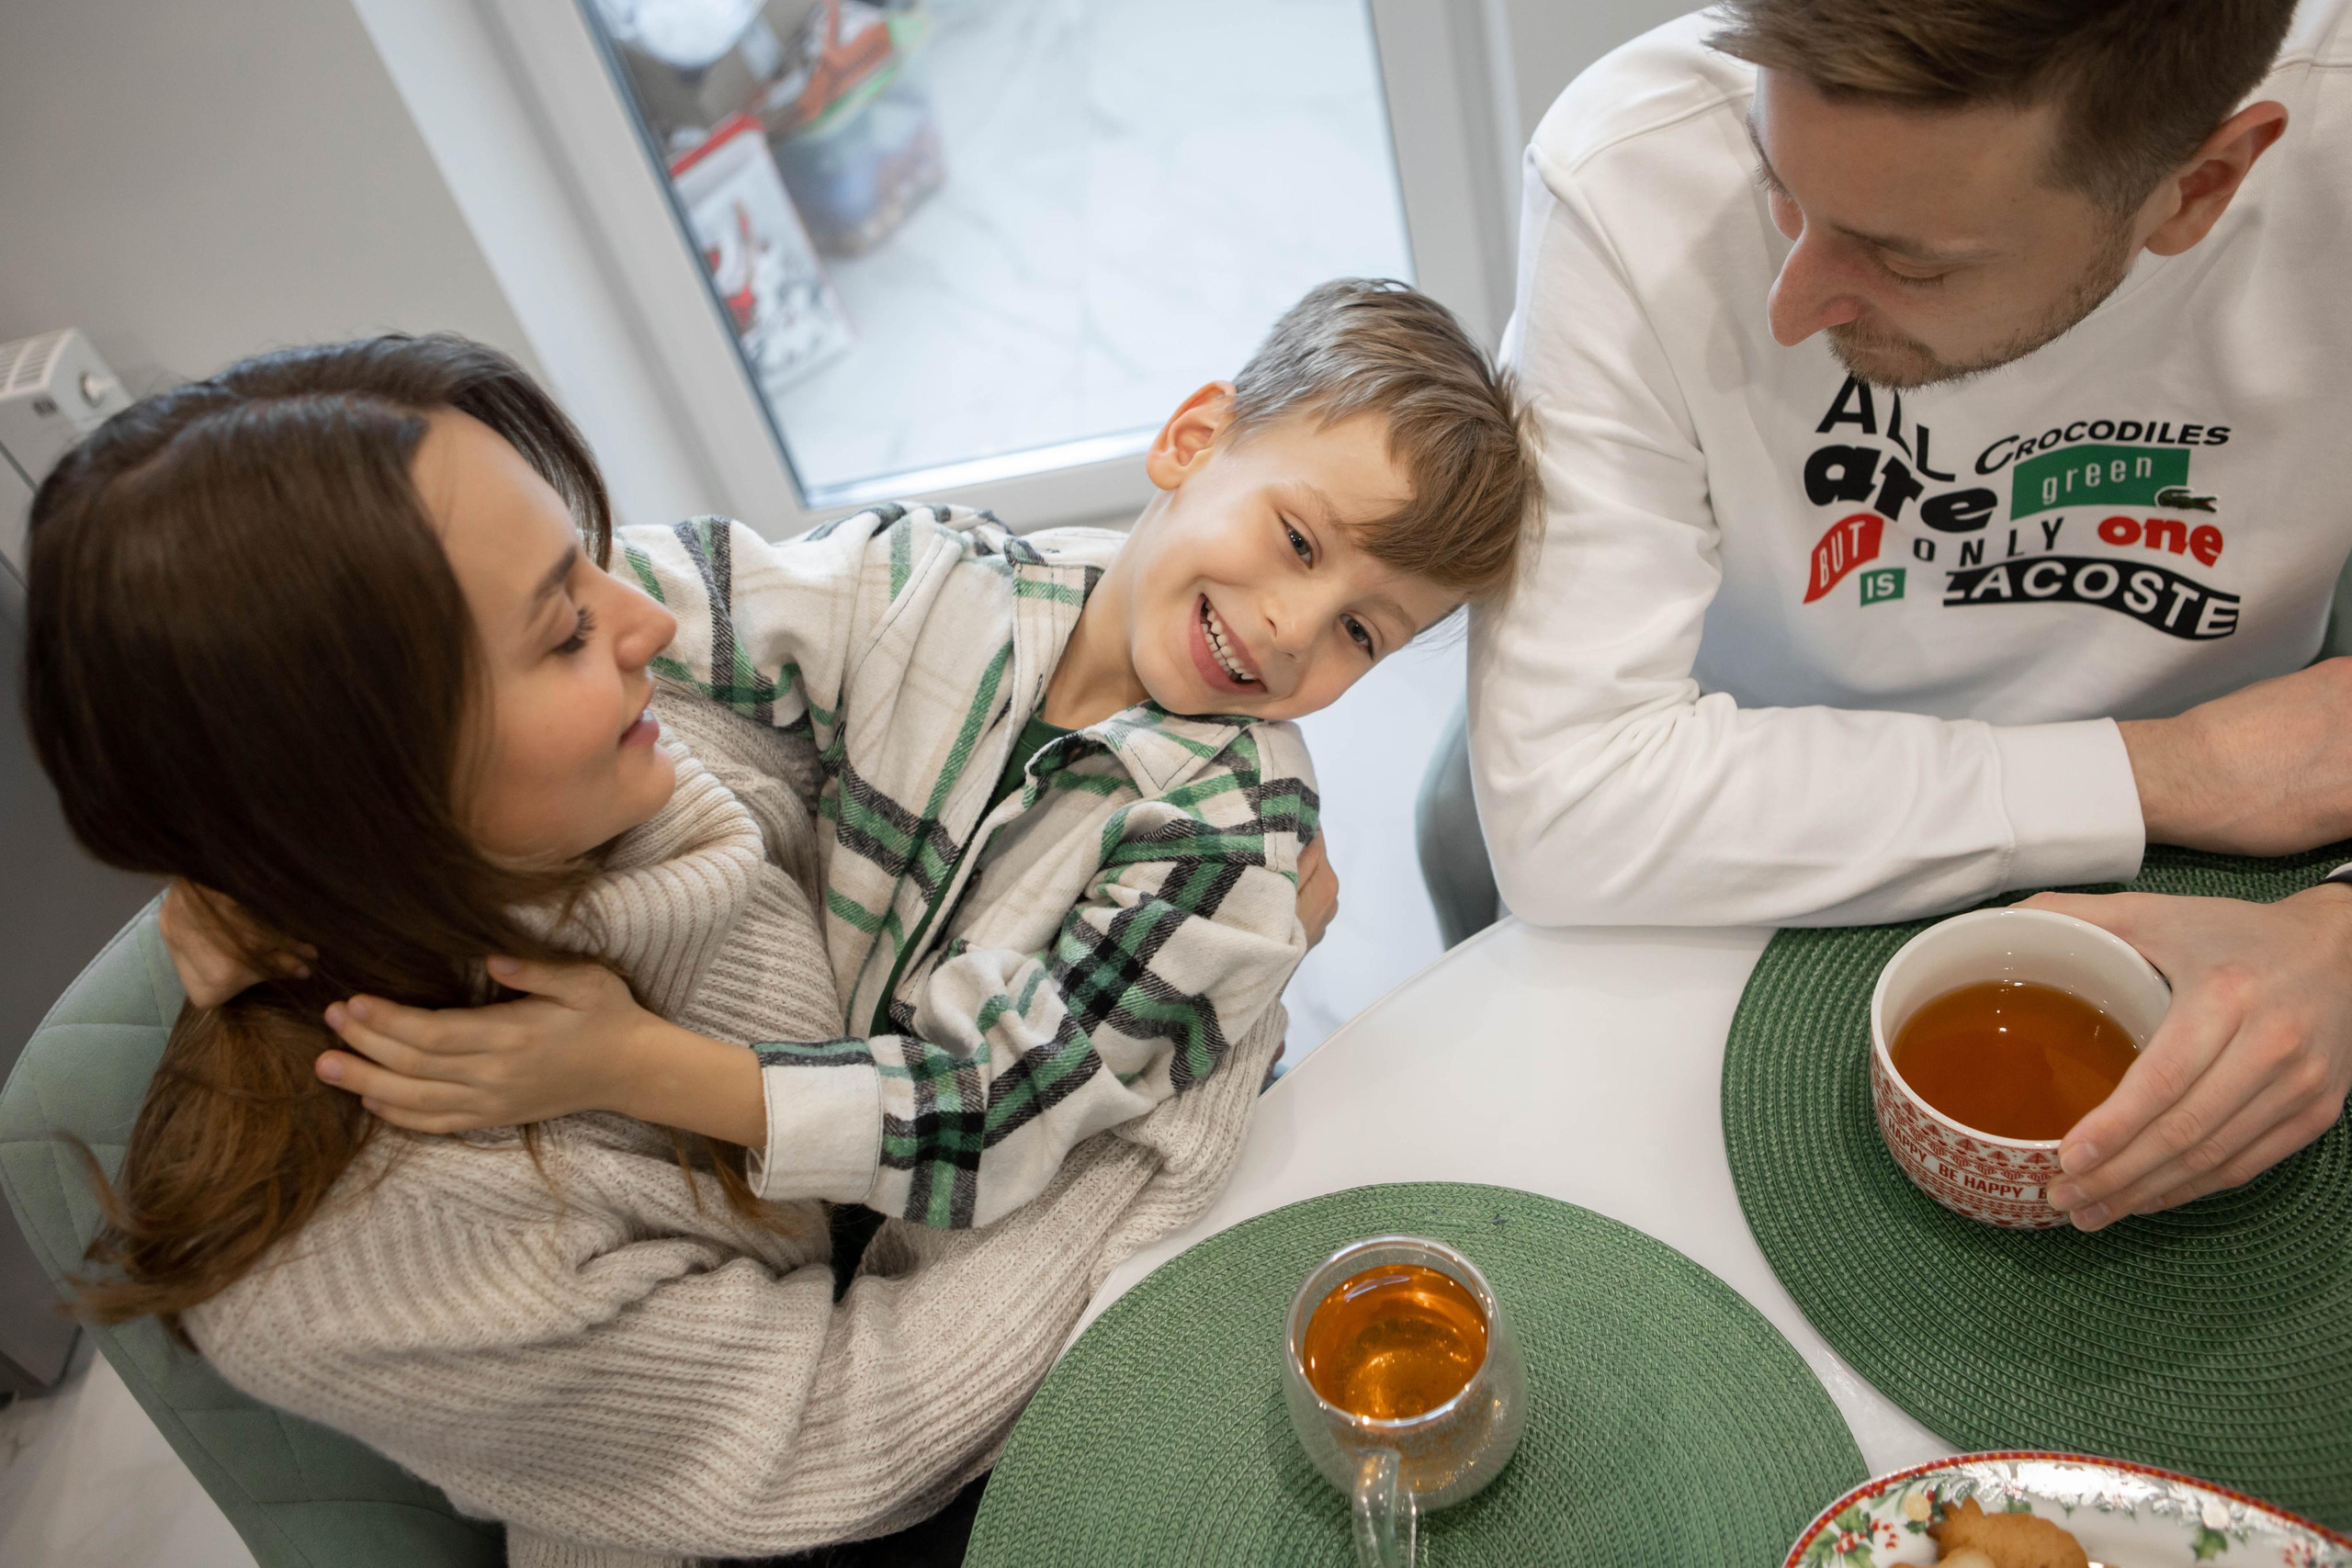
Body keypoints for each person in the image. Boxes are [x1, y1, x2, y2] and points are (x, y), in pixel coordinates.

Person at [191, 277, 1534, 1235]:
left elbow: (993, 1118)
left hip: (1025, 1234)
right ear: (1192, 440)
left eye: (1366, 629)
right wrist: (261, 835)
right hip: (806, 1159)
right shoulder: (928, 578)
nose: (1295, 628)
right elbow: (625, 604)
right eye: (1299, 542)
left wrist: (621, 1064)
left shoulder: (1234, 846)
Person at [1466, 0, 2352, 1230]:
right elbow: (1570, 802)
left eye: (1911, 260)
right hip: (1763, 846)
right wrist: (2167, 771)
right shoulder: (1637, 175)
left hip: (2256, 883)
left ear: (2199, 187)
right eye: (1780, 188)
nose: (1790, 307)